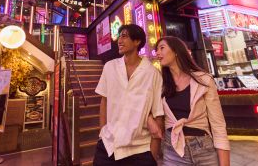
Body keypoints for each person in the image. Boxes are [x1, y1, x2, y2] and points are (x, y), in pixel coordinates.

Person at [148, 36, 230, 166]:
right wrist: (149, 120)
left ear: (176, 51)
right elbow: (145, 106)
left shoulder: (204, 80)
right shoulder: (160, 83)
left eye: (162, 48)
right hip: (173, 151)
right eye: (156, 49)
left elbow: (218, 125)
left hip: (204, 149)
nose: (157, 53)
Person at [93, 24, 164, 165]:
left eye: (124, 36)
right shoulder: (110, 67)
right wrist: (102, 132)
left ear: (137, 41)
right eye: (119, 36)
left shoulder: (152, 74)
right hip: (108, 146)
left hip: (139, 150)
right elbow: (104, 101)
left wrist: (153, 155)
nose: (119, 40)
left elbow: (158, 113)